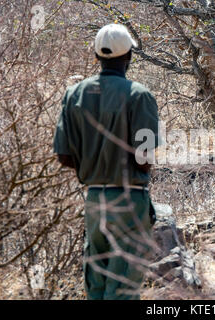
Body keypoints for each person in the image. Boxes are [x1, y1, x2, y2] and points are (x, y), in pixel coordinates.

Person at [53, 24, 159, 300]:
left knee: (97, 288)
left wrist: (94, 167)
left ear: (97, 57)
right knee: (122, 289)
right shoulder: (140, 95)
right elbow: (144, 157)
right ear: (129, 57)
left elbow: (63, 156)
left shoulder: (73, 94)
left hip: (94, 202)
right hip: (129, 200)